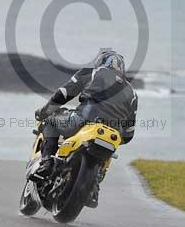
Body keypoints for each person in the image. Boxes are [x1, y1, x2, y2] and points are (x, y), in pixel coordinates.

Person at [34, 49, 139, 185]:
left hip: (84, 120)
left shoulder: (91, 73)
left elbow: (63, 94)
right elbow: (129, 133)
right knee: (108, 157)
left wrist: (45, 111)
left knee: (50, 123)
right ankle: (94, 187)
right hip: (113, 133)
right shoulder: (132, 92)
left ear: (100, 61)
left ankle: (47, 163)